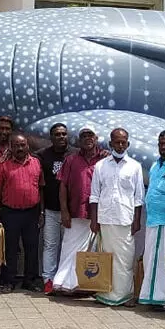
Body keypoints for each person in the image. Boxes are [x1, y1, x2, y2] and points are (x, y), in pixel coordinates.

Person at [89, 129, 144, 307]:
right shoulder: (100, 166)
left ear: (128, 144)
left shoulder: (135, 166)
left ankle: (125, 295)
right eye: (117, 142)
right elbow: (94, 195)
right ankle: (105, 293)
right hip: (105, 218)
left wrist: (137, 220)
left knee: (125, 259)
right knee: (107, 258)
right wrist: (94, 220)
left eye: (123, 142)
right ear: (110, 143)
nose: (120, 145)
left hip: (126, 219)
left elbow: (138, 198)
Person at [52, 126, 107, 293]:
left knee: (91, 249)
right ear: (79, 140)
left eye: (91, 135)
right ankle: (63, 283)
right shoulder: (71, 160)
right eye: (84, 136)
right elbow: (63, 186)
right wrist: (64, 211)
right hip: (75, 211)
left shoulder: (105, 160)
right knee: (70, 247)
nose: (88, 138)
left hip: (99, 213)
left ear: (96, 138)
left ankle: (84, 285)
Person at [0, 132, 45, 293]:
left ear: (27, 146)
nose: (20, 148)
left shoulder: (36, 163)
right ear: (11, 147)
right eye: (16, 145)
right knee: (10, 248)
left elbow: (41, 188)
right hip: (10, 213)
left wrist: (42, 212)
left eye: (22, 145)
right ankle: (9, 281)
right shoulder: (3, 165)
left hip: (32, 213)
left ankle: (30, 280)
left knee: (32, 247)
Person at [138, 130, 165, 309]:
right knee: (151, 259)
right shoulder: (155, 165)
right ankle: (159, 296)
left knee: (159, 261)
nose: (163, 147)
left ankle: (160, 298)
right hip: (152, 220)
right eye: (161, 144)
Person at [35, 123, 77, 294]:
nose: (61, 137)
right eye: (57, 134)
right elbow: (40, 185)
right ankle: (49, 280)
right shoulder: (42, 155)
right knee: (50, 245)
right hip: (51, 210)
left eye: (64, 134)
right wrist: (42, 211)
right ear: (51, 137)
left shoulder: (75, 154)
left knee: (68, 247)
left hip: (71, 212)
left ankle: (65, 280)